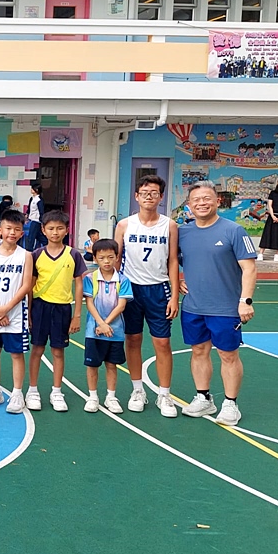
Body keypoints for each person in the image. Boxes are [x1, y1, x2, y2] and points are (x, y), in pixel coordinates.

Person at [177, 181, 257, 426]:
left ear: (217, 201)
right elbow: (175, 261)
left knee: (228, 354)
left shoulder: (234, 230)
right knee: (198, 351)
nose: (201, 203)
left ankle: (231, 404)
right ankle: (203, 398)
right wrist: (178, 280)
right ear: (189, 205)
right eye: (196, 200)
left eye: (206, 198)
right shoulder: (183, 232)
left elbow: (250, 268)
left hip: (225, 308)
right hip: (193, 306)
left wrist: (245, 301)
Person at [114, 174, 180, 417]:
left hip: (158, 288)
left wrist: (174, 295)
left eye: (154, 193)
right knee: (132, 339)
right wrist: (112, 290)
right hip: (130, 289)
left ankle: (164, 394)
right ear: (136, 196)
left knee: (162, 342)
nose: (149, 197)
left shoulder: (169, 225)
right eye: (144, 193)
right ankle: (137, 390)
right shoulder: (124, 225)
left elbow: (173, 260)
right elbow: (116, 258)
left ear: (161, 197)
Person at [26, 210, 85, 412]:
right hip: (40, 307)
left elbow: (79, 285)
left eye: (60, 228)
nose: (55, 232)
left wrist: (77, 315)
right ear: (43, 230)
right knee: (37, 349)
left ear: (67, 230)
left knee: (58, 351)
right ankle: (32, 390)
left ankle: (57, 391)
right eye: (50, 228)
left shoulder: (74, 254)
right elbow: (30, 286)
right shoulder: (36, 255)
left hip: (62, 308)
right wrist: (29, 313)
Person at [0, 209, 33, 413]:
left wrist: (7, 308)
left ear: (22, 233)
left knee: (17, 354)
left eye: (17, 229)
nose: (12, 232)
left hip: (15, 314)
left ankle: (17, 393)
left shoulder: (26, 256)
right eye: (8, 228)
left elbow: (26, 285)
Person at [83, 239, 134, 413]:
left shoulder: (123, 280)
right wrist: (100, 323)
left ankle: (111, 397)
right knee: (92, 365)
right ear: (95, 258)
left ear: (117, 257)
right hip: (94, 331)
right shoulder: (90, 278)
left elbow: (121, 305)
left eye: (110, 257)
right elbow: (89, 303)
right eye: (102, 257)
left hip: (115, 331)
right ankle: (92, 397)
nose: (106, 261)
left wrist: (106, 324)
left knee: (112, 365)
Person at [24, 184, 46, 251]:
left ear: (36, 190)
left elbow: (41, 211)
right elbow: (29, 208)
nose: (31, 190)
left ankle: (29, 250)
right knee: (39, 236)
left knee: (31, 237)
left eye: (32, 189)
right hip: (31, 219)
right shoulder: (32, 198)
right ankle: (48, 244)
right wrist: (27, 215)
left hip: (36, 220)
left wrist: (42, 221)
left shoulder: (39, 200)